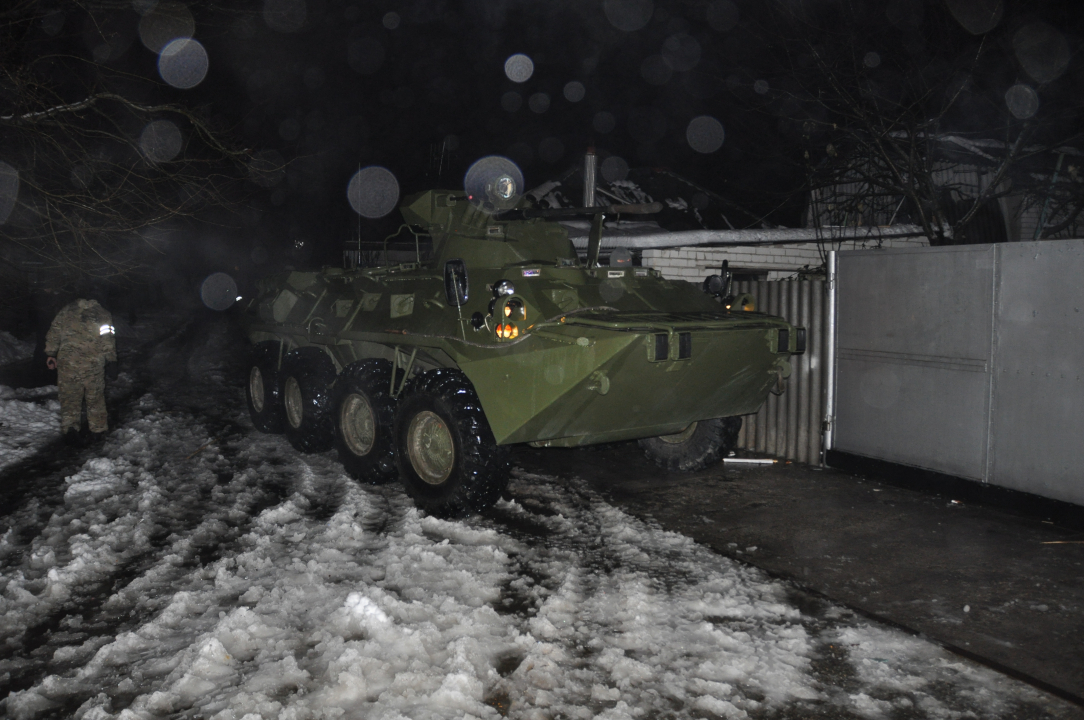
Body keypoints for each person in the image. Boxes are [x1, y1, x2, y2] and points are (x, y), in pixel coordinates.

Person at [44, 298, 117, 444]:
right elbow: (107, 338)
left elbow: (54, 331)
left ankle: (70, 428)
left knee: (70, 396)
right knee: (95, 397)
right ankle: (98, 430)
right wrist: (111, 359)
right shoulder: (102, 313)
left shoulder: (66, 310)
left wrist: (51, 354)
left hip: (68, 362)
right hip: (93, 363)